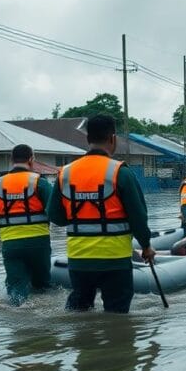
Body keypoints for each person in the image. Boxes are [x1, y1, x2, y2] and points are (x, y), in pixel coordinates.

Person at [46, 114, 155, 313]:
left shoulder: (65, 173)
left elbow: (55, 217)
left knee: (79, 312)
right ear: (113, 138)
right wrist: (146, 246)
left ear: (87, 139)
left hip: (79, 259)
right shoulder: (120, 172)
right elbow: (138, 216)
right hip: (115, 260)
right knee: (117, 315)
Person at [0, 144, 53, 306]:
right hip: (38, 243)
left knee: (16, 288)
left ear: (12, 160)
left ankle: (18, 313)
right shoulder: (39, 182)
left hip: (11, 245)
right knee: (42, 286)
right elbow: (55, 211)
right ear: (31, 159)